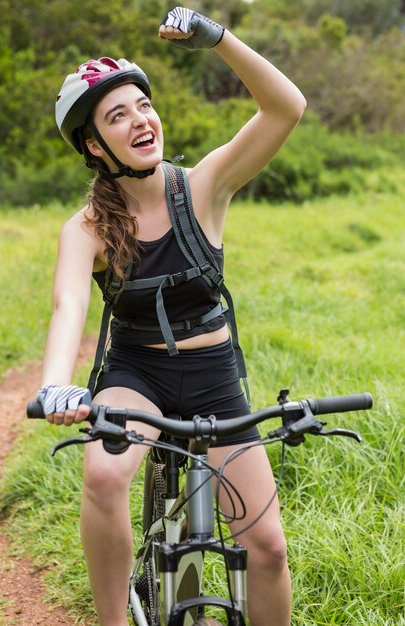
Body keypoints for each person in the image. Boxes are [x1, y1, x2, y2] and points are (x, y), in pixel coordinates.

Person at [38, 6, 306, 626]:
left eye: (143, 105)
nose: (140, 120)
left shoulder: (205, 185)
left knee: (266, 549)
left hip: (214, 375)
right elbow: (68, 304)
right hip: (139, 377)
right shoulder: (86, 228)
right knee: (104, 476)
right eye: (117, 115)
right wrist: (57, 382)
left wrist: (218, 39)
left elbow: (285, 108)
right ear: (93, 144)